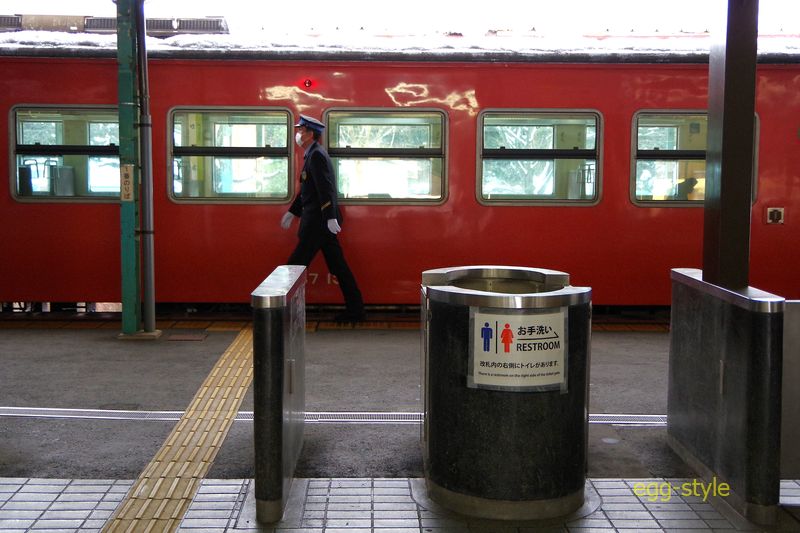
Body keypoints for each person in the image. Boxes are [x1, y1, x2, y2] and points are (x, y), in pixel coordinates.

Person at [280, 114, 365, 322]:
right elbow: (308, 191)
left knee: (294, 266)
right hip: (319, 223)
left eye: (301, 131)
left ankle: (277, 312)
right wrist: (293, 212)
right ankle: (356, 310)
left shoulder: (316, 156)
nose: (298, 135)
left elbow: (325, 189)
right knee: (338, 267)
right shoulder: (312, 154)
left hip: (317, 224)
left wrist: (329, 217)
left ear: (310, 134)